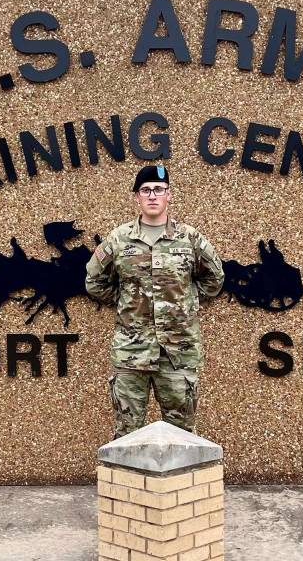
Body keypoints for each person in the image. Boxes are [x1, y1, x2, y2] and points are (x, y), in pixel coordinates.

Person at [85, 164, 225, 439]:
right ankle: (129, 484)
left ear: (169, 195)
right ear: (136, 197)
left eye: (158, 190)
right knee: (127, 434)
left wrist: (187, 301)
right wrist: (127, 299)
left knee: (181, 434)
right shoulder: (119, 239)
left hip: (178, 352)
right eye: (145, 190)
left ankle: (179, 484)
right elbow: (94, 281)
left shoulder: (190, 238)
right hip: (132, 352)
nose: (152, 195)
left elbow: (215, 279)